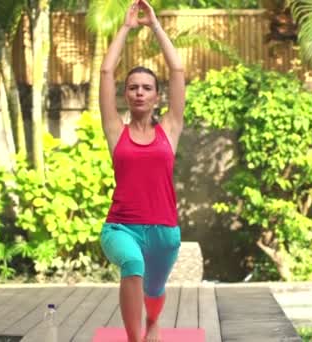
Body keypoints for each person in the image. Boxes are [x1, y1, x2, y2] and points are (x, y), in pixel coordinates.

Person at [98, 0, 185, 341]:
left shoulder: (170, 129)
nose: (139, 92)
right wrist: (125, 28)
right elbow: (106, 73)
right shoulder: (115, 131)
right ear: (125, 94)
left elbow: (177, 72)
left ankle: (152, 321)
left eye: (146, 87)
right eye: (133, 87)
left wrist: (156, 27)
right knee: (132, 266)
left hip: (164, 231)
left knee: (155, 291)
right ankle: (135, 339)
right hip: (121, 227)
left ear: (156, 96)